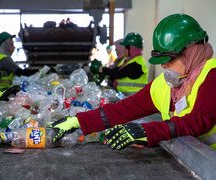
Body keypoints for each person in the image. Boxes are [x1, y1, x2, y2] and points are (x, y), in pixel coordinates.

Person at [49, 13, 216, 150]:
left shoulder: (212, 75)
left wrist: (149, 131)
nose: (164, 65)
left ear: (191, 52)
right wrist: (78, 121)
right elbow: (123, 110)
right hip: (186, 159)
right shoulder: (163, 85)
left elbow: (199, 120)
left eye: (170, 59)